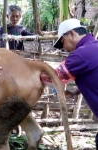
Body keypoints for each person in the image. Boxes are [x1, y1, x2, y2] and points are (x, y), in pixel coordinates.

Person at [40, 18, 98, 148]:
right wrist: (77, 91)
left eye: (63, 42)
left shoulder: (81, 54)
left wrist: (34, 70)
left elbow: (52, 77)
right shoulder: (94, 47)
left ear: (72, 33)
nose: (64, 48)